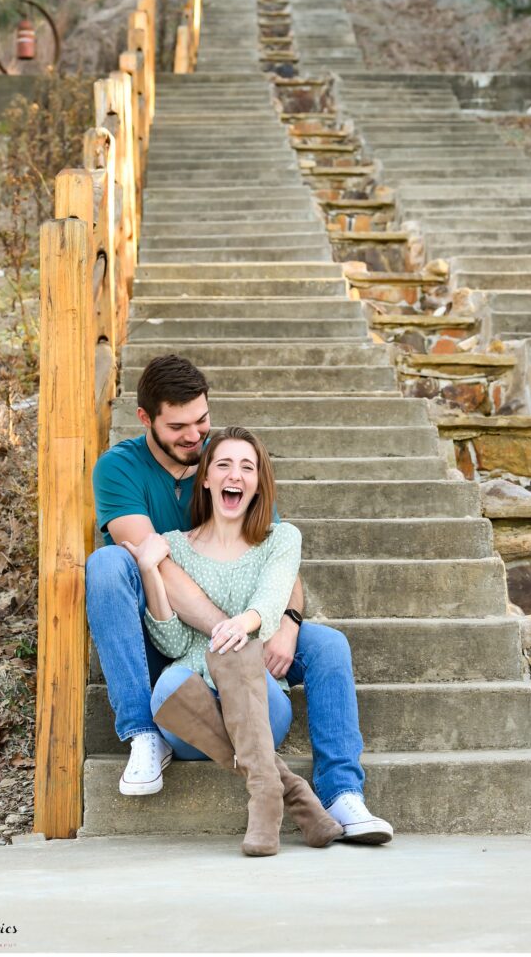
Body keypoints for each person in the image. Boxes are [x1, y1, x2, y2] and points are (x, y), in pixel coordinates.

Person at [87, 353, 393, 844]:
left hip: (244, 625)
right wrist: (234, 634)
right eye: (179, 426)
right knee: (107, 564)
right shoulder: (120, 469)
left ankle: (340, 792)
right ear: (145, 419)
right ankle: (144, 732)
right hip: (169, 630)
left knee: (328, 646)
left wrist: (285, 624)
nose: (195, 436)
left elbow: (276, 557)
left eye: (202, 420)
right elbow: (159, 564)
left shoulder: (226, 459)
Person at [123, 426, 343, 856]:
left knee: (238, 652)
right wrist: (150, 570)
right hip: (191, 715)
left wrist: (241, 625)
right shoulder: (172, 547)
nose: (235, 475)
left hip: (261, 699)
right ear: (205, 478)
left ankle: (266, 793)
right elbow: (169, 643)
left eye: (248, 467)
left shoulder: (281, 539)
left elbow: (273, 598)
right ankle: (286, 790)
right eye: (224, 464)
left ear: (259, 483)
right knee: (167, 686)